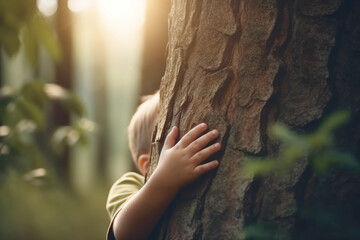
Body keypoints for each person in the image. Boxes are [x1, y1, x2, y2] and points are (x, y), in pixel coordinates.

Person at [106, 92, 221, 240]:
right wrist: (165, 177)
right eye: (175, 141)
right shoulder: (129, 183)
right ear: (147, 165)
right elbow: (123, 234)